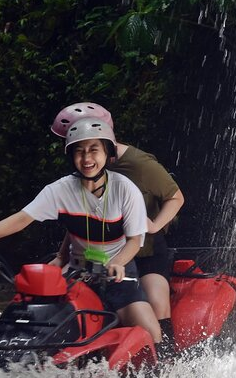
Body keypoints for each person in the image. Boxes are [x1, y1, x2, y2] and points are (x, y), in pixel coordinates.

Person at [0, 117, 162, 344]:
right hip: (76, 275)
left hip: (118, 276)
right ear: (71, 156)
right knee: (30, 318)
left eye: (94, 149)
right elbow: (22, 219)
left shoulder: (125, 189)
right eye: (79, 151)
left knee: (151, 332)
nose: (87, 158)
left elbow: (134, 240)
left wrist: (119, 263)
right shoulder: (60, 189)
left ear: (107, 153)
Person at [51, 103, 184, 358]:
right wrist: (62, 256)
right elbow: (82, 217)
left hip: (145, 252)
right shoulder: (87, 166)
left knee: (156, 305)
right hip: (104, 253)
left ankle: (169, 366)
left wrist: (154, 225)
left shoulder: (139, 164)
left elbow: (176, 197)